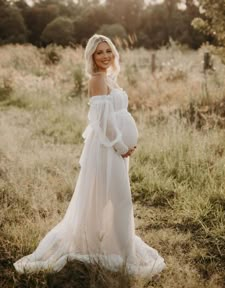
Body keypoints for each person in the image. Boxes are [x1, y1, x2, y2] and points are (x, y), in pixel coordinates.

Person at [14, 34, 166, 277]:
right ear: (92, 57)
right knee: (118, 199)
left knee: (113, 198)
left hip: (117, 149)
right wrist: (120, 146)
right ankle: (120, 253)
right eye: (99, 52)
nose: (105, 56)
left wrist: (126, 143)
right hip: (107, 148)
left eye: (108, 51)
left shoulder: (110, 78)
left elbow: (116, 115)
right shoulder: (96, 80)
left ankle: (112, 245)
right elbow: (102, 121)